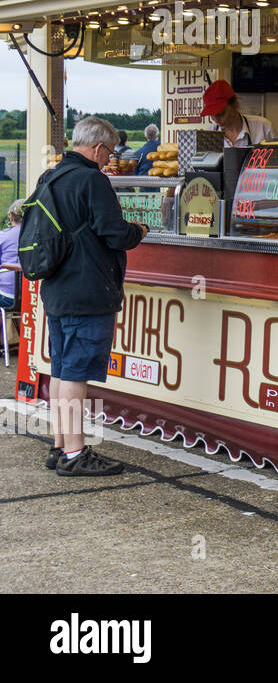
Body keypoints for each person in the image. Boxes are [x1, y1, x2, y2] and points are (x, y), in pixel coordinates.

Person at [35, 116, 147, 476]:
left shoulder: (50, 176)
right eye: (109, 153)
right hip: (87, 289)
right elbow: (114, 233)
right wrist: (139, 229)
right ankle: (75, 453)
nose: (109, 159)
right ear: (98, 147)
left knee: (62, 369)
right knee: (76, 374)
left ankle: (59, 445)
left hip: (56, 287)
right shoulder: (92, 180)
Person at [202, 80, 275, 147]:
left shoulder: (263, 127)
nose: (216, 120)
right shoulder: (209, 136)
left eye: (221, 114)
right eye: (212, 116)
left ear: (234, 105)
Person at [0, 199, 21, 312]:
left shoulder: (3, 236)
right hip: (32, 297)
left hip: (6, 296)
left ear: (11, 217)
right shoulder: (38, 236)